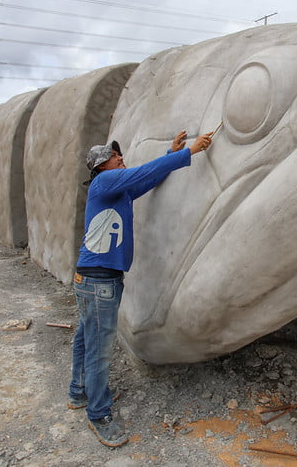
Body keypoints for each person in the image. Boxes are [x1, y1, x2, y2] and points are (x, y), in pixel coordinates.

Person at [68, 129, 213, 447]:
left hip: (92, 281)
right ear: (101, 165)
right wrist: (189, 152)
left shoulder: (118, 191)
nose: (121, 157)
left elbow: (148, 179)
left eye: (119, 154)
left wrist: (170, 156)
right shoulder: (103, 183)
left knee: (86, 339)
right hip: (98, 282)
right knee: (100, 351)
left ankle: (79, 393)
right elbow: (143, 172)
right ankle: (98, 413)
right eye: (114, 155)